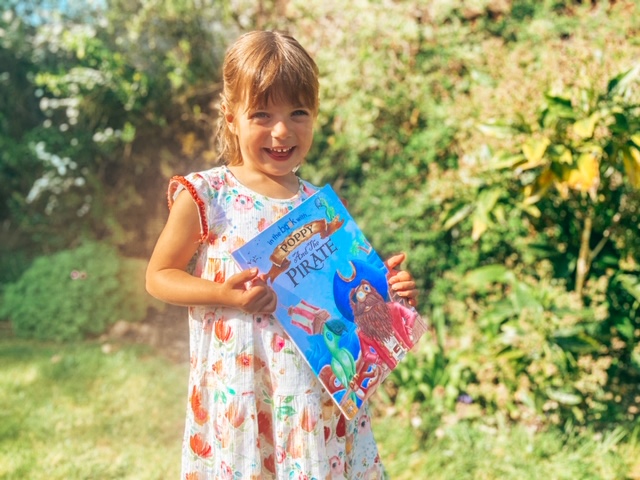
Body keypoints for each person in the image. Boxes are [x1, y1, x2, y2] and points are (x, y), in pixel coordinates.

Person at [146, 30, 419, 480]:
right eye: (261, 114)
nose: (281, 130)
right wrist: (225, 294)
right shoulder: (208, 195)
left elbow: (346, 301)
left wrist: (387, 292)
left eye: (298, 112)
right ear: (231, 118)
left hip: (315, 402)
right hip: (243, 398)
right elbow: (158, 275)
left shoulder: (320, 208)